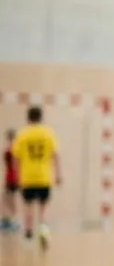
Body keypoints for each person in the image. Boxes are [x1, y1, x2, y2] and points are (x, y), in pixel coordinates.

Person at [12, 106, 59, 249]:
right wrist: (58, 174)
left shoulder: (22, 134)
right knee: (43, 206)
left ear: (28, 117)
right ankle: (43, 229)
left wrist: (17, 174)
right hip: (44, 176)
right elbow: (55, 155)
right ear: (40, 117)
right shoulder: (48, 133)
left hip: (27, 176)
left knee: (28, 206)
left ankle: (28, 233)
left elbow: (16, 158)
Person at [3, 129, 17, 231]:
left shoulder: (12, 149)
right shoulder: (10, 149)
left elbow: (14, 164)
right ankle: (10, 218)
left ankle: (13, 219)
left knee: (9, 198)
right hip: (10, 177)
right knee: (7, 198)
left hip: (13, 178)